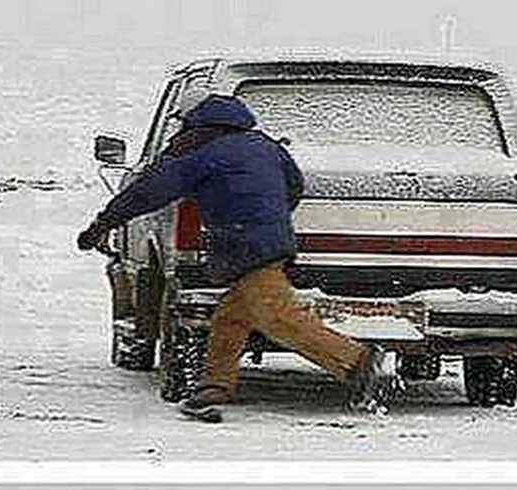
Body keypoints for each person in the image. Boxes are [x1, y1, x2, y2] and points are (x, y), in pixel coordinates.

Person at [77, 94, 395, 423]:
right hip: (273, 238)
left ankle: (357, 360)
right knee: (232, 317)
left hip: (242, 243)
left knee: (278, 316)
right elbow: (294, 185)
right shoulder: (264, 144)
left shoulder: (195, 147)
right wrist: (266, 214)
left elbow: (147, 192)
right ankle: (213, 387)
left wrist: (103, 224)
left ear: (191, 120)